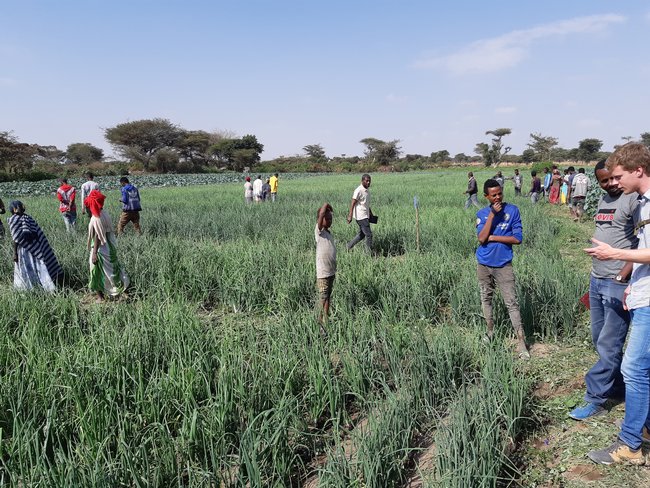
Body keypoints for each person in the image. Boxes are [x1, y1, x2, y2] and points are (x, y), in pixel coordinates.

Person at [585, 142, 650, 465]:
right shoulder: (636, 201)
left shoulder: (644, 203)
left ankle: (629, 443)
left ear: (638, 171)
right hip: (627, 286)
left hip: (637, 292)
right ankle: (644, 425)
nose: (615, 182)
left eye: (619, 175)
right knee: (634, 363)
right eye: (608, 178)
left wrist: (617, 259)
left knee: (632, 364)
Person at [569, 160, 637, 421]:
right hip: (597, 278)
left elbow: (642, 242)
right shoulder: (602, 201)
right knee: (600, 339)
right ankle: (618, 387)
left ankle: (595, 398)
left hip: (618, 282)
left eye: (612, 179)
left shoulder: (632, 201)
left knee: (610, 341)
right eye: (603, 181)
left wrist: (623, 273)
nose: (610, 184)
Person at [475, 179, 529, 359]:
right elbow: (481, 239)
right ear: (486, 196)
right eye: (493, 195)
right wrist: (491, 215)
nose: (497, 197)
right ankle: (490, 333)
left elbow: (517, 238)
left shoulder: (512, 211)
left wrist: (494, 237)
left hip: (504, 264)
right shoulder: (482, 213)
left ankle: (521, 342)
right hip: (484, 263)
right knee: (486, 298)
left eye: (499, 193)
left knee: (511, 303)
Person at [8, 200, 62, 292]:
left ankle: (30, 289)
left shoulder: (14, 219)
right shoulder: (27, 218)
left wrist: (15, 253)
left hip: (24, 250)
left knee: (27, 269)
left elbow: (15, 240)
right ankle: (41, 288)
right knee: (37, 268)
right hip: (35, 248)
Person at [85, 190, 129, 301]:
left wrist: (94, 253)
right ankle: (121, 291)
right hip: (109, 247)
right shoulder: (104, 213)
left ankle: (101, 297)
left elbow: (98, 237)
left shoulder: (96, 219)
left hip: (101, 249)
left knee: (95, 271)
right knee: (113, 270)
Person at [316, 202, 336, 325]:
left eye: (330, 219)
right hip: (323, 272)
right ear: (320, 219)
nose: (329, 221)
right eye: (326, 219)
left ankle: (325, 318)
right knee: (323, 297)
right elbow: (322, 213)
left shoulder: (328, 234)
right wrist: (327, 204)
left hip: (331, 271)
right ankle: (319, 321)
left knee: (328, 296)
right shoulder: (319, 232)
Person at [347, 174, 373, 253]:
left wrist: (371, 213)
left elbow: (365, 204)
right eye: (366, 181)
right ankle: (368, 254)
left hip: (366, 215)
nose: (368, 182)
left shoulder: (366, 190)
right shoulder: (358, 190)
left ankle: (348, 246)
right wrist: (350, 216)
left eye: (369, 181)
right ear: (362, 181)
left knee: (362, 235)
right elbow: (353, 203)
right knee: (369, 235)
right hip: (361, 216)